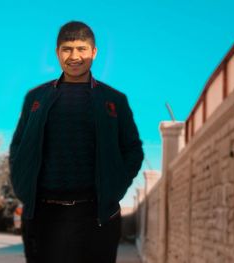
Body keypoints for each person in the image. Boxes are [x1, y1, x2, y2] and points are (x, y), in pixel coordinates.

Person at [9, 21, 144, 263]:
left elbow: (133, 150)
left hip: (97, 217)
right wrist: (23, 188)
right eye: (67, 49)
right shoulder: (35, 98)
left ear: (94, 52)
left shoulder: (114, 100)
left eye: (82, 49)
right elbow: (18, 146)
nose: (74, 56)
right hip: (43, 216)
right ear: (57, 53)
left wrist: (115, 188)